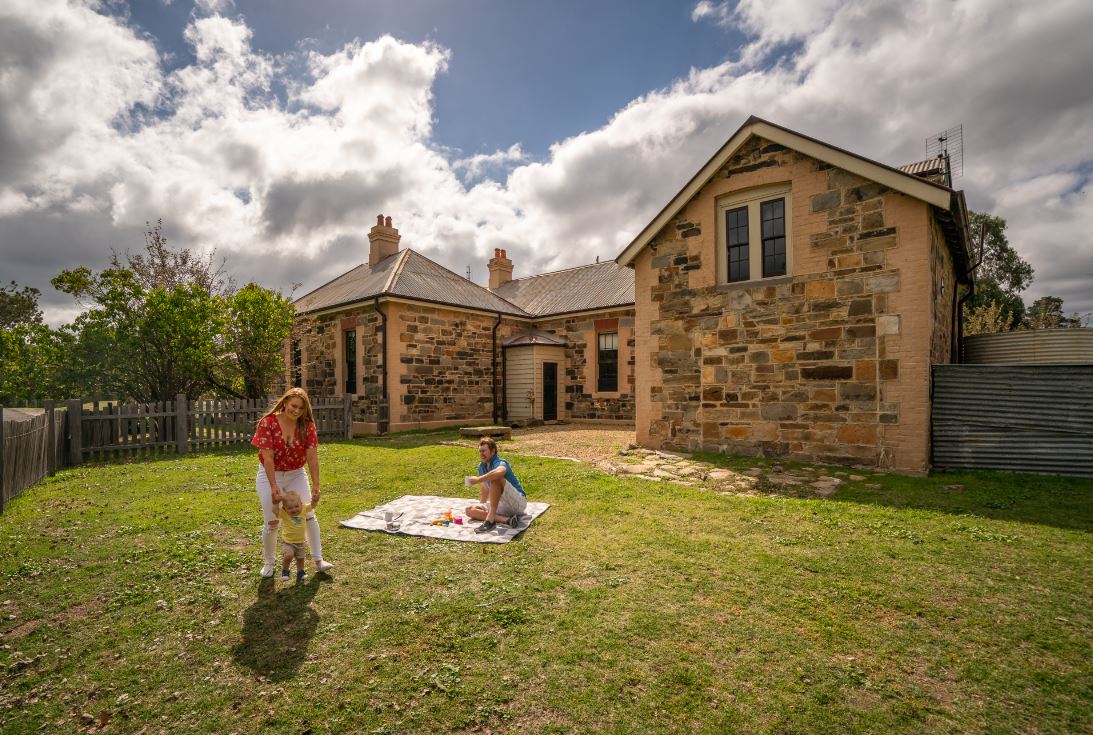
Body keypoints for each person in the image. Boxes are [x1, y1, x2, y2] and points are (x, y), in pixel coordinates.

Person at [251, 387, 333, 577]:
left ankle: (319, 560)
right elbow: (268, 458)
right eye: (293, 406)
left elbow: (312, 458)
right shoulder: (268, 423)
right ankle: (269, 563)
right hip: (270, 474)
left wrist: (317, 485)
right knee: (272, 521)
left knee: (308, 514)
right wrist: (273, 486)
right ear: (285, 402)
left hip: (296, 473)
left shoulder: (307, 426)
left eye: (300, 408)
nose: (296, 411)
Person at [464, 437, 527, 533]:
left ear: (493, 451)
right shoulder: (481, 466)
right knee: (469, 510)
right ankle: (507, 520)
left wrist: (477, 480)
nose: (481, 454)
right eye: (480, 451)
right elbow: (485, 488)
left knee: (496, 478)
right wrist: (482, 505)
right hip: (502, 505)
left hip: (517, 503)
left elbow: (500, 472)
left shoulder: (500, 462)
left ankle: (490, 520)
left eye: (484, 451)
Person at [277, 491, 312, 582]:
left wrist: (315, 500)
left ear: (301, 504)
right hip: (288, 542)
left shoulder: (303, 509)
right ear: (284, 508)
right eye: (290, 508)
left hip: (300, 541)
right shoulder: (284, 514)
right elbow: (274, 511)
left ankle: (300, 572)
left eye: (296, 506)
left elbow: (312, 505)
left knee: (300, 558)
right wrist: (275, 503)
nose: (294, 510)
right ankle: (285, 571)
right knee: (288, 555)